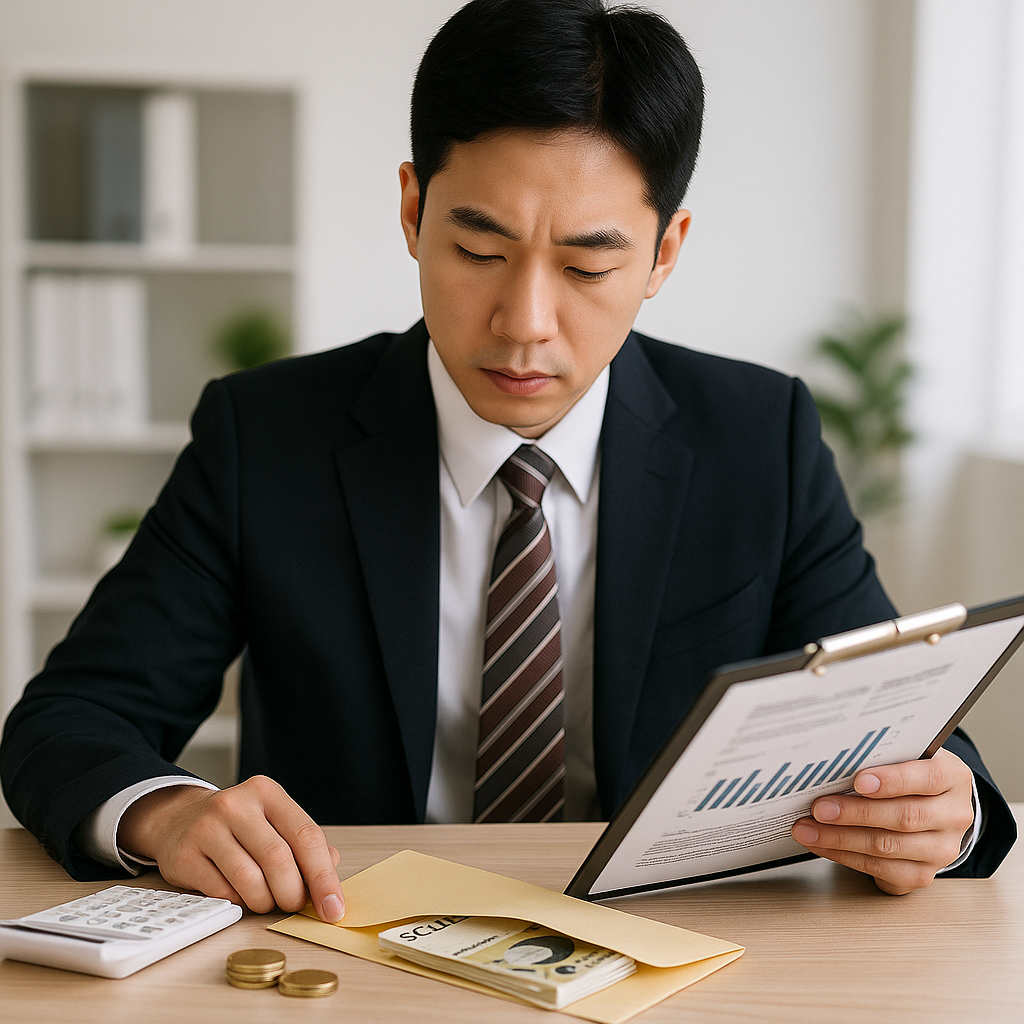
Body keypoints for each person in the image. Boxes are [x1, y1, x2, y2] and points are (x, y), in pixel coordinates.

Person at [1, 0, 1015, 927]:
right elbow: (69, 720)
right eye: (479, 251)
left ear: (665, 253)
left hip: (668, 963)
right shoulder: (266, 437)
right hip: (353, 957)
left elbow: (909, 735)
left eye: (586, 265)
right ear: (411, 210)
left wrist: (942, 808)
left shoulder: (760, 438)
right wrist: (165, 812)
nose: (524, 324)